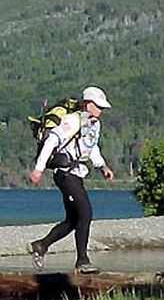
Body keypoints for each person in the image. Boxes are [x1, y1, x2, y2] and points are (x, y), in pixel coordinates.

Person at [28, 86, 114, 274]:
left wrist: (103, 167)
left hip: (78, 173)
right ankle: (82, 261)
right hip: (65, 174)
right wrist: (38, 169)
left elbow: (92, 148)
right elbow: (52, 141)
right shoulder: (72, 120)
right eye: (98, 106)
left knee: (74, 220)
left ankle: (41, 245)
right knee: (86, 213)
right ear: (88, 104)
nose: (101, 110)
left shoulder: (94, 124)